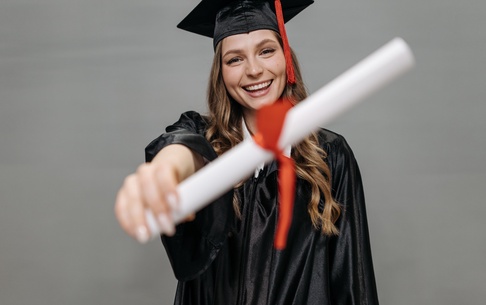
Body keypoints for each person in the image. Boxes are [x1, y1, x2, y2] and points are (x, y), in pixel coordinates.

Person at [115, 0, 379, 304]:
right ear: (220, 73)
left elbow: (352, 282)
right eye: (235, 59)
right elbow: (181, 149)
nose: (254, 70)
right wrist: (166, 170)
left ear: (286, 58)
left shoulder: (330, 156)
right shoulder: (205, 141)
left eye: (266, 51)